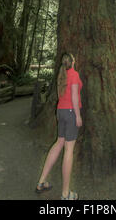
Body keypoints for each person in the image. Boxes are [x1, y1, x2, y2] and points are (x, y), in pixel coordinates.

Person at [35, 52, 83, 200]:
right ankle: (65, 193)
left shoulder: (61, 75)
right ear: (73, 62)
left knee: (59, 143)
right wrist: (78, 115)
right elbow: (74, 96)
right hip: (70, 113)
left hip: (60, 111)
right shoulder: (74, 74)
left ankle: (41, 182)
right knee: (69, 150)